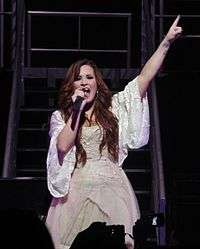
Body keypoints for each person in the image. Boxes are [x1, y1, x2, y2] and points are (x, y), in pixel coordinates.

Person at [45, 16, 182, 249]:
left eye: (89, 77)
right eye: (78, 78)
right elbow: (62, 147)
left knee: (115, 243)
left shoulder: (114, 108)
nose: (84, 82)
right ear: (72, 85)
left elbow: (144, 78)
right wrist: (76, 111)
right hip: (76, 192)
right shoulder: (62, 117)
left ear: (97, 84)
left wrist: (166, 43)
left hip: (111, 188)